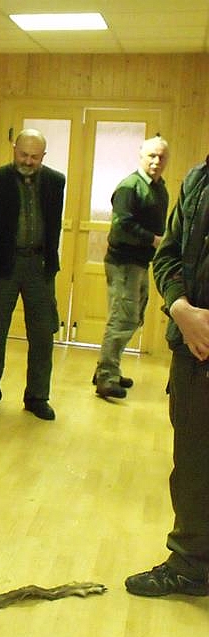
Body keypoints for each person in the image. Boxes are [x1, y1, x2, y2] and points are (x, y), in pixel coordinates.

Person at [124, 157, 209, 598]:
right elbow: (169, 255)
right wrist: (180, 309)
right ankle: (190, 566)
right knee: (193, 465)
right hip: (192, 350)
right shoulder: (198, 178)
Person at [0, 128, 65, 421]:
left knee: (43, 334)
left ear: (43, 156)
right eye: (23, 155)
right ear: (14, 150)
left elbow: (54, 225)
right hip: (4, 265)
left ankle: (38, 397)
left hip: (40, 265)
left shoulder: (56, 181)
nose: (27, 161)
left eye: (34, 157)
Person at [93, 136, 169, 399]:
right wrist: (154, 240)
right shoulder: (130, 186)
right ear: (141, 156)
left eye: (161, 157)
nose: (156, 161)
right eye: (152, 156)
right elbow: (122, 224)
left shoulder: (159, 188)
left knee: (133, 317)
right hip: (123, 262)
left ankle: (107, 367)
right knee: (122, 318)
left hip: (141, 262)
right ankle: (106, 376)